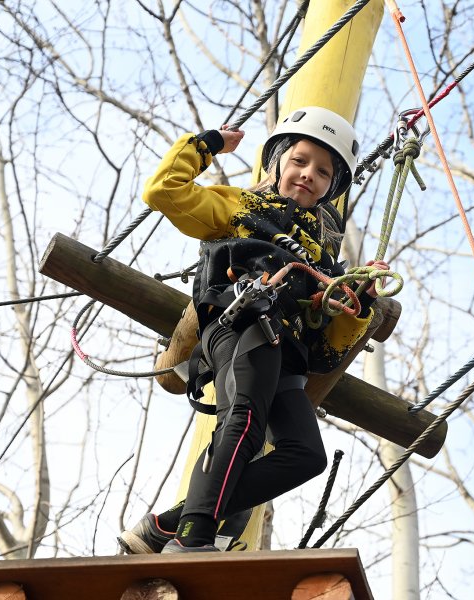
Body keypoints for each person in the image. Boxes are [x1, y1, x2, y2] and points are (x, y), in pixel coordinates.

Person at [119, 106, 389, 554]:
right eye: (300, 161)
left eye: (323, 172)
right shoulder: (241, 207)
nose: (308, 175)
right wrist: (206, 145)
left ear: (331, 187)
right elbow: (164, 191)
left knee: (305, 454)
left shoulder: (322, 259)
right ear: (279, 160)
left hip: (287, 354)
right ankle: (194, 537)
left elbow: (327, 345)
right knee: (242, 421)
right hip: (244, 320)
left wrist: (357, 297)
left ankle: (167, 525)